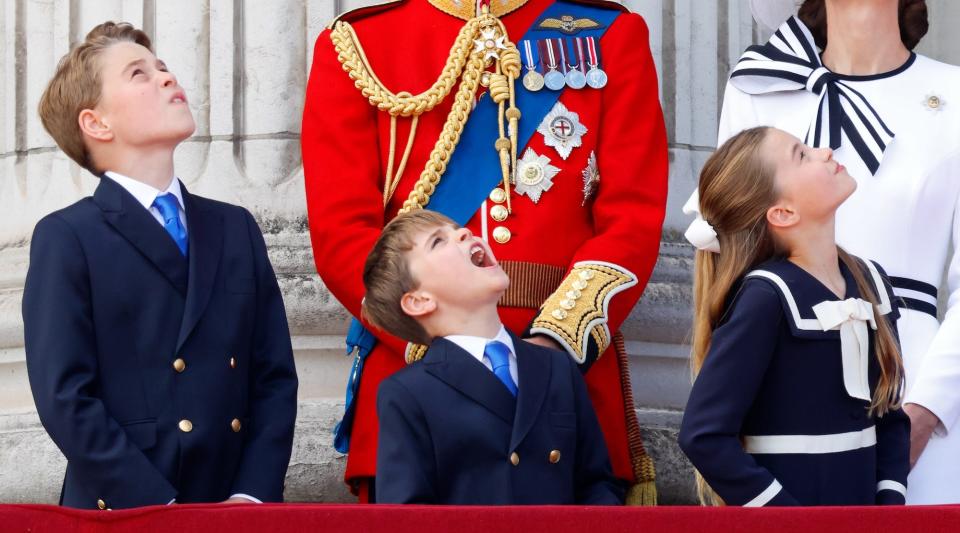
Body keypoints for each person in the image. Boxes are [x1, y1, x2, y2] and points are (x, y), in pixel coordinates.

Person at [301, 0, 666, 503]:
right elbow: (342, 236)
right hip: (419, 370)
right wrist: (438, 345)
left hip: (567, 375)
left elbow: (633, 217)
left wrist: (556, 345)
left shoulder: (610, 34)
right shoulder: (356, 44)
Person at [22, 21, 299, 510]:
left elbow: (273, 376)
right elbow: (66, 397)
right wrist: (153, 506)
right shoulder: (68, 236)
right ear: (96, 123)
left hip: (231, 506)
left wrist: (251, 495)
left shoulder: (235, 228)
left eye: (164, 68)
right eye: (139, 74)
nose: (168, 78)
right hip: (129, 508)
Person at [715, 0, 960, 504]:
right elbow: (733, 257)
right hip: (793, 379)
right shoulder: (758, 87)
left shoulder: (957, 94)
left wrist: (926, 411)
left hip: (921, 374)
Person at [677, 126, 910, 506]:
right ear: (782, 213)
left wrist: (888, 504)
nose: (824, 151)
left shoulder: (870, 282)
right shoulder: (766, 298)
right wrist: (786, 518)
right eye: (801, 154)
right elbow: (703, 435)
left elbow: (889, 415)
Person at [361, 210, 623, 505]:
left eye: (458, 227)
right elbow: (407, 515)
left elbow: (596, 486)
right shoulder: (408, 393)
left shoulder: (557, 367)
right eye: (438, 241)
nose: (464, 233)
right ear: (419, 301)